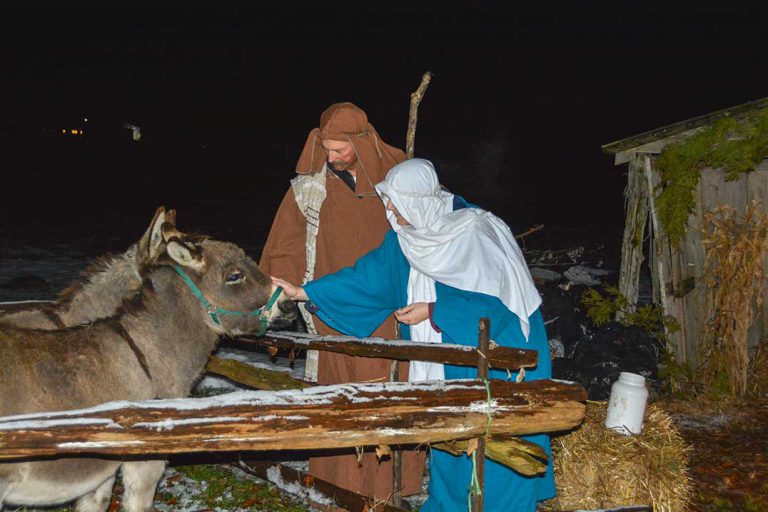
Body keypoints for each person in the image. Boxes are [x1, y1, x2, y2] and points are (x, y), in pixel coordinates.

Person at [273, 158, 555, 512]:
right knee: (451, 449)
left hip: (500, 364)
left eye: (396, 201)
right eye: (388, 200)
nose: (389, 209)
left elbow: (500, 304)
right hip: (445, 364)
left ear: (420, 201)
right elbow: (366, 279)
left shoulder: (476, 232)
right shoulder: (405, 240)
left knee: (497, 454)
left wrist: (435, 310)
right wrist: (305, 293)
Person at [259, 102, 425, 501]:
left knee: (386, 391)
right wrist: (278, 293)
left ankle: (390, 487)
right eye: (326, 148)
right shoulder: (309, 189)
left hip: (392, 308)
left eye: (339, 150)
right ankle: (340, 487)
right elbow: (286, 245)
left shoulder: (398, 176)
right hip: (330, 303)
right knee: (339, 392)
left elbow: (428, 226)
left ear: (361, 142)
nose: (331, 158)